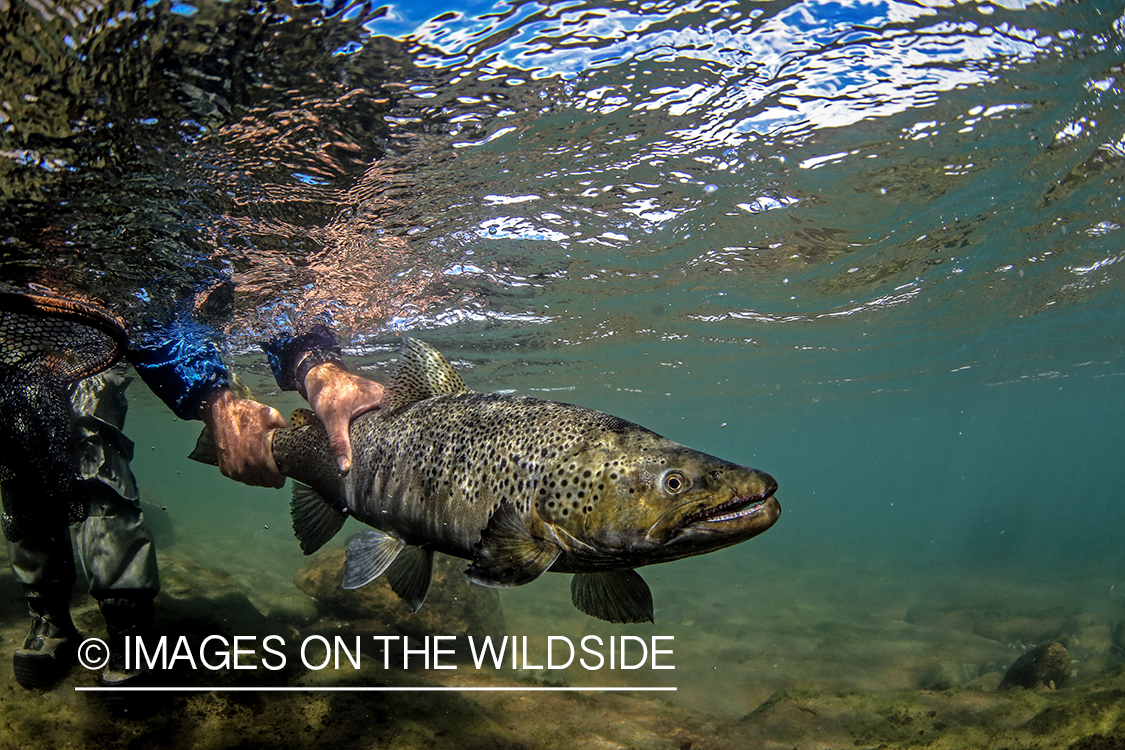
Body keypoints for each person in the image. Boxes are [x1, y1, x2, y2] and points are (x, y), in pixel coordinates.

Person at [8, 315, 384, 689]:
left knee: (97, 462)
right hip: (11, 351)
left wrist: (313, 365)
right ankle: (46, 614)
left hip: (97, 340)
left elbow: (165, 312)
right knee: (17, 465)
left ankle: (127, 628)